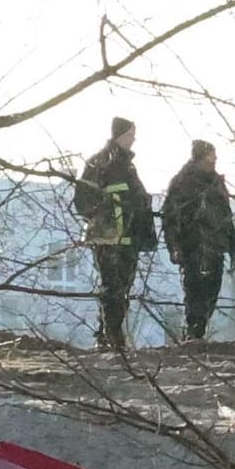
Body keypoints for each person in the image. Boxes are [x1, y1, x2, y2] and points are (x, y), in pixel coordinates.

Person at [74, 117, 158, 349]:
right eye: (131, 134)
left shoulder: (128, 166)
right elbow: (82, 200)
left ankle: (112, 334)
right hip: (108, 237)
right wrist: (107, 211)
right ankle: (110, 337)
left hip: (129, 236)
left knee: (124, 287)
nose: (134, 139)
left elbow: (135, 197)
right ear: (120, 135)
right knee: (112, 286)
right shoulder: (99, 163)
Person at [161, 139, 235, 341]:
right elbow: (170, 217)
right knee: (195, 290)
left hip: (216, 247)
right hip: (192, 246)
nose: (215, 159)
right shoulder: (182, 182)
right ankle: (193, 333)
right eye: (211, 155)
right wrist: (174, 247)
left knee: (212, 290)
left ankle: (198, 329)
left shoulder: (216, 182)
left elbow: (226, 215)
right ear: (200, 158)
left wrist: (233, 246)